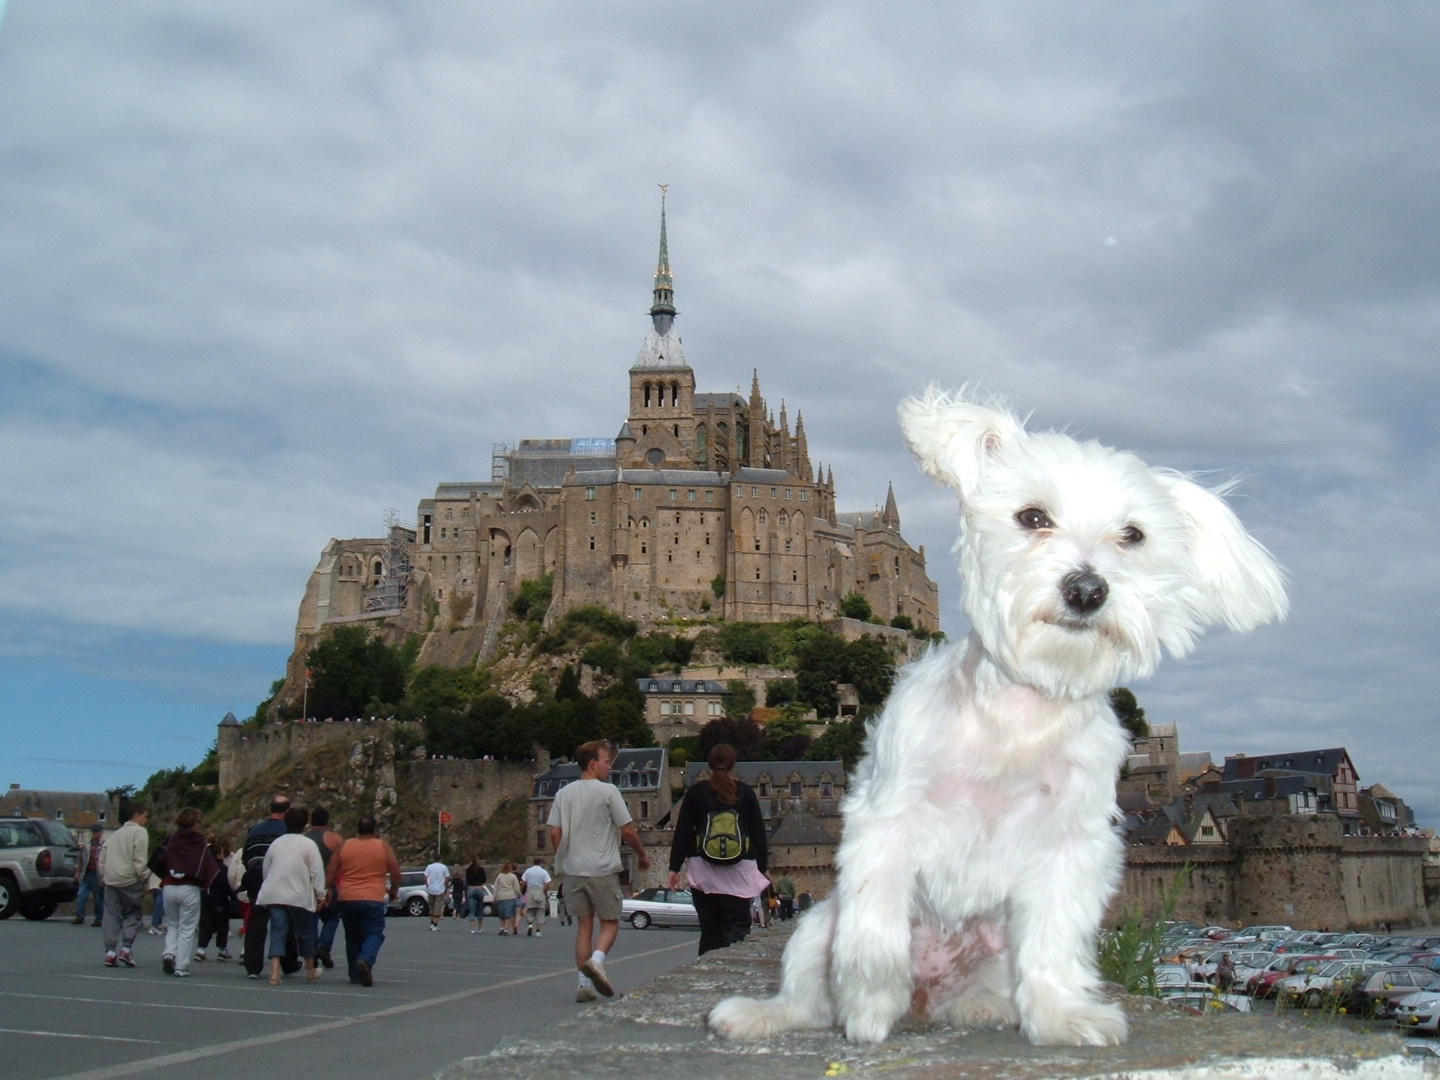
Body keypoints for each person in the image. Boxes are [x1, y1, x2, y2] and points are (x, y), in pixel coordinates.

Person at [548, 739, 651, 1001]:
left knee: (584, 926)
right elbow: (627, 829)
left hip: (573, 869)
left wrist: (565, 856)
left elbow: (554, 831)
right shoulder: (608, 792)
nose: (609, 767)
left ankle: (583, 985)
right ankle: (597, 960)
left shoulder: (563, 794)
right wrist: (641, 855)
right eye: (606, 762)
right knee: (610, 922)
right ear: (593, 763)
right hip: (601, 868)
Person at [668, 743, 769, 955]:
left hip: (704, 870)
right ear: (733, 765)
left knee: (709, 929)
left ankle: (706, 976)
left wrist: (674, 868)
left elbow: (683, 832)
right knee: (738, 927)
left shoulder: (696, 793)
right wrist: (762, 867)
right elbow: (758, 833)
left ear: (709, 765)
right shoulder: (745, 793)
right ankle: (734, 974)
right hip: (739, 870)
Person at [255, 807, 327, 985]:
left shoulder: (277, 843)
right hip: (298, 895)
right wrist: (320, 894)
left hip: (275, 893)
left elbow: (267, 869)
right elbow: (316, 871)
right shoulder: (308, 844)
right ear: (305, 824)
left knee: (278, 932)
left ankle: (273, 973)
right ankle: (310, 970)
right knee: (305, 932)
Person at [329, 815, 401, 987]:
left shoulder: (344, 846)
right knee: (374, 934)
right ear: (375, 830)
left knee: (352, 937)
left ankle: (354, 973)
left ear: (358, 830)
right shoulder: (382, 847)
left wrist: (327, 891)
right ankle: (365, 959)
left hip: (347, 898)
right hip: (372, 898)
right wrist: (393, 891)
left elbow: (331, 871)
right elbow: (396, 872)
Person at [157, 807, 222, 977]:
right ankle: (181, 966)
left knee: (173, 924)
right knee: (187, 928)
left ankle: (169, 953)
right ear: (194, 822)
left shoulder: (172, 838)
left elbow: (162, 858)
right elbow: (205, 862)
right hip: (189, 886)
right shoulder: (199, 840)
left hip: (169, 885)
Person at [241, 795, 299, 979]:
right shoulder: (286, 832)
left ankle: (252, 966)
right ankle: (289, 962)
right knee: (284, 921)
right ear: (287, 811)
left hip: (255, 878)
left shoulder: (254, 831)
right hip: (278, 878)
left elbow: (245, 857)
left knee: (256, 923)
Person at [101, 803, 149, 968]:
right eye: (145, 816)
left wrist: (103, 874)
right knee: (132, 914)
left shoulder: (114, 835)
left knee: (111, 915)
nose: (146, 820)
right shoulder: (140, 832)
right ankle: (126, 949)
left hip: (111, 878)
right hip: (129, 879)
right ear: (137, 815)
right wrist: (144, 876)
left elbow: (102, 855)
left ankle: (110, 951)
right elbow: (139, 859)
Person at [304, 808, 344, 968]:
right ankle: (324, 946)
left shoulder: (304, 838)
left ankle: (312, 951)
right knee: (332, 918)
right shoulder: (334, 839)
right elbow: (342, 863)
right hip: (328, 884)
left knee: (311, 921)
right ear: (327, 822)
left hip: (308, 886)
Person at [195, 836, 234, 962]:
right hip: (221, 901)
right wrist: (233, 896)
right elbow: (226, 885)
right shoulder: (223, 869)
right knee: (222, 925)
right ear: (218, 855)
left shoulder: (206, 869)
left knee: (205, 923)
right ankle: (222, 949)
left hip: (206, 899)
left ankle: (201, 949)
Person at [73, 823, 106, 925]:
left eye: (96, 832)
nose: (95, 834)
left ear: (101, 832)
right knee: (81, 895)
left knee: (98, 898)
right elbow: (81, 860)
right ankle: (79, 916)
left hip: (98, 874)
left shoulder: (104, 846)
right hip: (87, 874)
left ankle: (99, 918)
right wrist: (78, 873)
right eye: (93, 832)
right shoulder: (87, 846)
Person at [521, 858, 552, 937]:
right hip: (540, 891)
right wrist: (544, 891)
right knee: (540, 911)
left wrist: (522, 891)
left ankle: (530, 924)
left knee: (530, 910)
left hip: (530, 891)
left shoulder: (528, 871)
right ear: (541, 863)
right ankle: (538, 931)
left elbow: (523, 882)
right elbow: (548, 884)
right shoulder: (544, 872)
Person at [492, 862, 521, 935]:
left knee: (501, 914)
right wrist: (519, 894)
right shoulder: (513, 876)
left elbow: (495, 887)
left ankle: (501, 928)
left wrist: (494, 897)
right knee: (508, 914)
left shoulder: (499, 876)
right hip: (510, 896)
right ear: (510, 868)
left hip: (501, 896)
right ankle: (506, 929)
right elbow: (516, 888)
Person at [422, 855, 450, 931]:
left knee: (431, 906)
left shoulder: (429, 867)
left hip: (431, 888)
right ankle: (435, 924)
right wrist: (446, 887)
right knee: (438, 906)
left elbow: (425, 877)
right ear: (441, 859)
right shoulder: (444, 867)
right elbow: (447, 878)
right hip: (440, 889)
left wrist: (427, 885)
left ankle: (431, 923)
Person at [464, 856, 488, 935]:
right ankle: (480, 927)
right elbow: (484, 879)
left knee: (471, 908)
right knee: (480, 907)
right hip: (479, 888)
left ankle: (473, 927)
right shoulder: (481, 870)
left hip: (471, 888)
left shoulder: (468, 870)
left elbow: (467, 879)